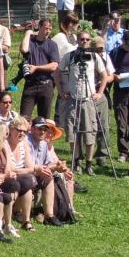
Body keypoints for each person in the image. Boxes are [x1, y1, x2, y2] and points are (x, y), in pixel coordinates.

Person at [57, 30, 107, 174]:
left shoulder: (94, 56)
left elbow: (104, 75)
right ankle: (76, 160)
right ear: (77, 40)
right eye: (81, 39)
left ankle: (89, 163)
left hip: (88, 99)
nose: (84, 41)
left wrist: (100, 93)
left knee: (90, 131)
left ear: (89, 41)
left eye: (86, 39)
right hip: (73, 98)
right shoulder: (71, 56)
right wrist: (61, 90)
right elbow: (57, 72)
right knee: (72, 131)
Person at [18, 18, 60, 119]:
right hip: (30, 84)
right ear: (40, 27)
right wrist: (28, 33)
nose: (48, 31)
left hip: (45, 85)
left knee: (44, 119)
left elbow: (54, 65)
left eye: (50, 29)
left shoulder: (52, 45)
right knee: (24, 117)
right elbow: (24, 49)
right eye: (46, 28)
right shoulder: (30, 41)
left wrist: (36, 68)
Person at [111, 30, 129, 164]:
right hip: (120, 92)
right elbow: (109, 71)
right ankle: (123, 151)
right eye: (127, 43)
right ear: (123, 41)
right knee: (122, 124)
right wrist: (115, 77)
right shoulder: (115, 53)